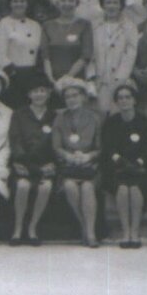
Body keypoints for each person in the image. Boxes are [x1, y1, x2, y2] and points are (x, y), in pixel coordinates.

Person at [99, 80, 147, 249]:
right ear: (116, 102)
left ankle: (135, 231)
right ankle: (126, 232)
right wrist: (120, 161)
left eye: (127, 97)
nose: (124, 101)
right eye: (120, 98)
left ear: (134, 100)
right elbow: (108, 147)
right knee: (123, 189)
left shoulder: (145, 122)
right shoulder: (111, 123)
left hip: (141, 168)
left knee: (135, 188)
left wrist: (138, 162)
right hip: (117, 168)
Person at [52, 77, 103, 246]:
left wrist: (88, 156)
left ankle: (90, 232)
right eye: (67, 97)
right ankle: (85, 227)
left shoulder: (95, 117)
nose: (71, 99)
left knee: (88, 187)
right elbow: (56, 146)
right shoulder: (60, 118)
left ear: (83, 97)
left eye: (75, 95)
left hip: (90, 167)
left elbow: (100, 147)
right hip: (68, 166)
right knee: (70, 186)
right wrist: (69, 156)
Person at [7, 79, 58, 244]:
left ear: (49, 93)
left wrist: (53, 164)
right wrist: (19, 161)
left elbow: (57, 143)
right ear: (29, 94)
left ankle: (32, 228)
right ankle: (17, 229)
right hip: (23, 164)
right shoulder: (19, 114)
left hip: (45, 165)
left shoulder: (54, 116)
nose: (39, 94)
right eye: (35, 91)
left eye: (43, 90)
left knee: (46, 187)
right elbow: (15, 141)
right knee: (23, 186)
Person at [90, 0, 142, 112]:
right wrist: (91, 76)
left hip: (120, 81)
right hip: (98, 80)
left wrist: (120, 78)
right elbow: (89, 53)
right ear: (103, 4)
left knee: (117, 113)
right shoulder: (94, 26)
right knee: (99, 114)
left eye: (115, 2)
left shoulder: (130, 26)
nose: (111, 6)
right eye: (108, 2)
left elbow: (130, 53)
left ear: (121, 5)